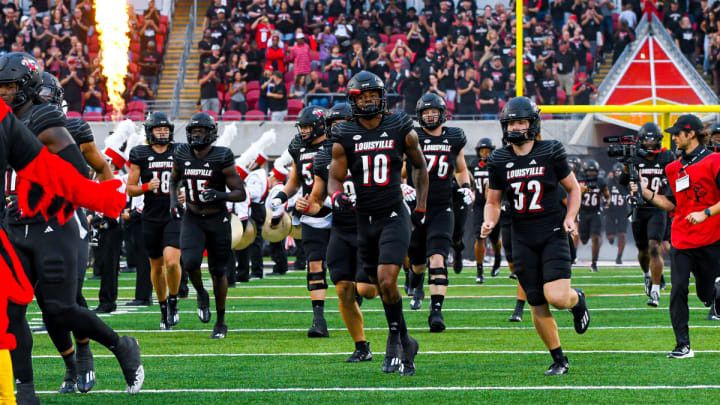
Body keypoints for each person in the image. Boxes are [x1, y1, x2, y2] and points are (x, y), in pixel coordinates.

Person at [0, 52, 141, 400]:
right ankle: (25, 391)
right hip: (15, 227)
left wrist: (36, 191)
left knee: (60, 308)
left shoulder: (44, 117)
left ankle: (120, 345)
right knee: (11, 312)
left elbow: (75, 175)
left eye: (9, 87)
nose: (2, 93)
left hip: (52, 225)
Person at [328, 71, 428, 376]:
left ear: (382, 97)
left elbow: (420, 167)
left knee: (387, 281)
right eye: (364, 97)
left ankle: (395, 342)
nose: (370, 101)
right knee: (375, 288)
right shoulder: (344, 133)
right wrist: (335, 196)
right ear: (354, 101)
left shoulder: (400, 126)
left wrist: (421, 207)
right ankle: (406, 339)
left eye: (374, 95)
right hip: (364, 219)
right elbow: (334, 175)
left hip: (394, 214)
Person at [480, 96, 590, 375]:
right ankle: (559, 358)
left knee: (557, 297)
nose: (516, 128)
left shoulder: (550, 150)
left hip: (552, 232)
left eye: (521, 122)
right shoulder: (499, 158)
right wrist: (489, 222)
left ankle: (577, 300)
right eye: (511, 123)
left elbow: (574, 189)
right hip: (521, 236)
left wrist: (569, 218)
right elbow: (493, 201)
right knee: (536, 300)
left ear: (532, 123)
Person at [630, 114, 720, 358]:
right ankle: (683, 344)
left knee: (706, 294)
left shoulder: (715, 161)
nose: (673, 138)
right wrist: (645, 192)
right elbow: (670, 204)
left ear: (690, 134)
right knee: (678, 288)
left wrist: (705, 213)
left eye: (677, 134)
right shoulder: (674, 167)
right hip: (682, 237)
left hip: (711, 237)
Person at [296, 102, 379, 361]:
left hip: (369, 226)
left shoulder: (370, 149)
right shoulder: (324, 157)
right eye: (334, 124)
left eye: (343, 122)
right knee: (342, 287)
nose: (338, 128)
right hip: (341, 228)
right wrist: (306, 207)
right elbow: (318, 200)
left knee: (368, 290)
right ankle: (361, 346)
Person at [169, 112, 246, 339]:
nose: (196, 135)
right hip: (192, 216)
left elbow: (240, 193)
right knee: (190, 262)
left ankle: (221, 321)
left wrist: (220, 194)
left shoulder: (222, 156)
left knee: (218, 271)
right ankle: (201, 293)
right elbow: (174, 179)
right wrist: (174, 201)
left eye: (201, 131)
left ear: (211, 133)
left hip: (217, 219)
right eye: (193, 131)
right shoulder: (182, 153)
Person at [405, 93, 471, 333]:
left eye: (434, 111)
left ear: (442, 113)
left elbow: (461, 169)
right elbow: (402, 167)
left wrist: (465, 188)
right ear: (419, 116)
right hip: (417, 207)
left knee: (438, 258)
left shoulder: (454, 137)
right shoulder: (413, 137)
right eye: (426, 112)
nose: (430, 115)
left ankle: (436, 311)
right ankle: (416, 279)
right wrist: (402, 185)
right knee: (418, 261)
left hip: (443, 207)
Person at [270, 106, 333, 337]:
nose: (304, 131)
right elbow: (295, 180)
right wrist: (281, 195)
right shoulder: (298, 146)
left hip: (338, 209)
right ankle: (319, 319)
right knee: (314, 264)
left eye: (307, 126)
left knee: (339, 265)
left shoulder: (335, 144)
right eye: (302, 127)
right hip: (311, 211)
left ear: (319, 125)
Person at [127, 112, 184, 331]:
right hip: (150, 215)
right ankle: (162, 307)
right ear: (150, 131)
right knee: (157, 267)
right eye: (158, 129)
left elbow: (192, 177)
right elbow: (130, 189)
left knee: (172, 262)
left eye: (165, 129)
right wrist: (145, 187)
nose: (162, 132)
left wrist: (186, 193)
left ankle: (173, 300)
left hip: (173, 213)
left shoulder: (179, 151)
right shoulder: (140, 153)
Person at [621, 122, 674, 307]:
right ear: (640, 140)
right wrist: (627, 167)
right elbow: (622, 181)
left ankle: (656, 291)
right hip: (639, 208)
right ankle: (647, 275)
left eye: (652, 139)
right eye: (646, 139)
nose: (649, 143)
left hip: (658, 208)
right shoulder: (634, 156)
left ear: (659, 139)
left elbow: (674, 178)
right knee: (643, 251)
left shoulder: (667, 156)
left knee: (654, 246)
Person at [471, 137, 502, 281]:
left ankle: (497, 259)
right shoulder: (473, 165)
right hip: (478, 205)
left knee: (495, 238)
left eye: (487, 150)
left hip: (494, 203)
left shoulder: (496, 165)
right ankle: (479, 271)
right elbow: (466, 177)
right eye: (482, 150)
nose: (484, 153)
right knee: (479, 236)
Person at [578, 159, 609, 272]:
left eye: (594, 172)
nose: (592, 174)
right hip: (583, 212)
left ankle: (594, 263)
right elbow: (572, 194)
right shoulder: (579, 180)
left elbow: (607, 195)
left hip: (596, 212)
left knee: (595, 237)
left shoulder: (600, 181)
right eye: (589, 172)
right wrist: (579, 191)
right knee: (584, 240)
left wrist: (607, 205)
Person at [605, 162, 630, 264]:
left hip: (623, 211)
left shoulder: (627, 183)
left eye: (621, 172)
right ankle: (611, 239)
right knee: (610, 237)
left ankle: (619, 257)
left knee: (622, 235)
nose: (619, 174)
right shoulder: (609, 182)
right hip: (611, 211)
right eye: (617, 171)